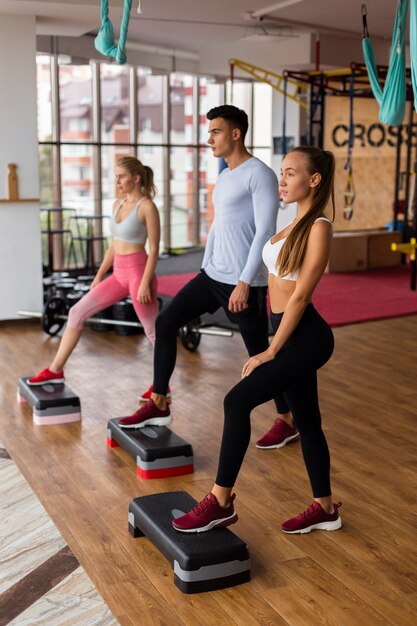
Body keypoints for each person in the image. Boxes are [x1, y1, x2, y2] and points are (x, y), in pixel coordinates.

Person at [172, 146, 342, 535]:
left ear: (313, 180)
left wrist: (271, 350)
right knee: (309, 422)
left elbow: (300, 295)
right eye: (281, 172)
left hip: (306, 337)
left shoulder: (319, 227)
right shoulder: (291, 223)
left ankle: (220, 501)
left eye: (290, 173)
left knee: (237, 400)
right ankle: (325, 508)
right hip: (286, 331)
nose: (281, 180)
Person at [118, 104, 296, 433]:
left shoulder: (260, 174)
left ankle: (287, 417)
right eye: (209, 132)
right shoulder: (225, 175)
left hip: (244, 282)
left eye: (215, 131)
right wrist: (204, 268)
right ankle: (159, 401)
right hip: (212, 275)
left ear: (235, 133)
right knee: (166, 320)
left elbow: (265, 231)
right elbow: (217, 226)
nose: (209, 139)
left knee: (260, 352)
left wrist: (245, 282)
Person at [28, 156, 160, 393]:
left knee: (153, 332)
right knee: (76, 312)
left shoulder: (147, 207)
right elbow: (113, 245)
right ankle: (55, 371)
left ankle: (162, 388)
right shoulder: (118, 204)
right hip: (118, 274)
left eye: (122, 176)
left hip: (139, 273)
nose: (117, 181)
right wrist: (99, 276)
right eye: (116, 177)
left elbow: (155, 250)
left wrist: (145, 283)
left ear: (136, 178)